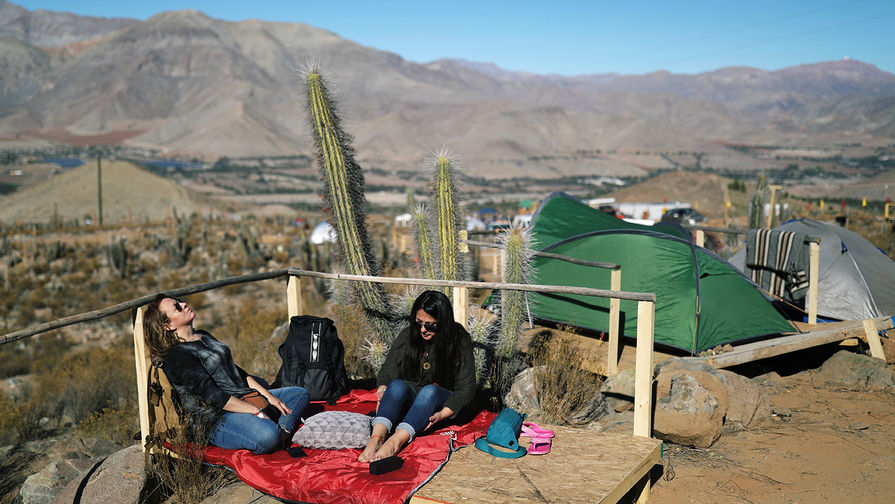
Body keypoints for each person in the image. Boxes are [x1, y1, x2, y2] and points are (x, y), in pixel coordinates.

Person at [143, 295, 309, 454]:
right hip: (217, 417)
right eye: (177, 307)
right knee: (267, 436)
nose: (184, 304)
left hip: (242, 397)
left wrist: (269, 397)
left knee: (298, 394)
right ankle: (275, 433)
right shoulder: (176, 356)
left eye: (180, 301)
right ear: (168, 326)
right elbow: (214, 396)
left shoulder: (204, 335)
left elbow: (237, 371)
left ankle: (283, 434)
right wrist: (256, 411)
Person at [359, 290, 476, 462]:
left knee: (430, 391)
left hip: (442, 407)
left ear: (443, 323)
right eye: (418, 323)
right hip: (415, 404)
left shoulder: (459, 340)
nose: (422, 329)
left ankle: (396, 441)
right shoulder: (409, 335)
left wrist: (442, 414)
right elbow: (388, 371)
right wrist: (383, 391)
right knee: (397, 385)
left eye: (429, 325)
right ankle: (376, 439)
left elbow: (466, 389)